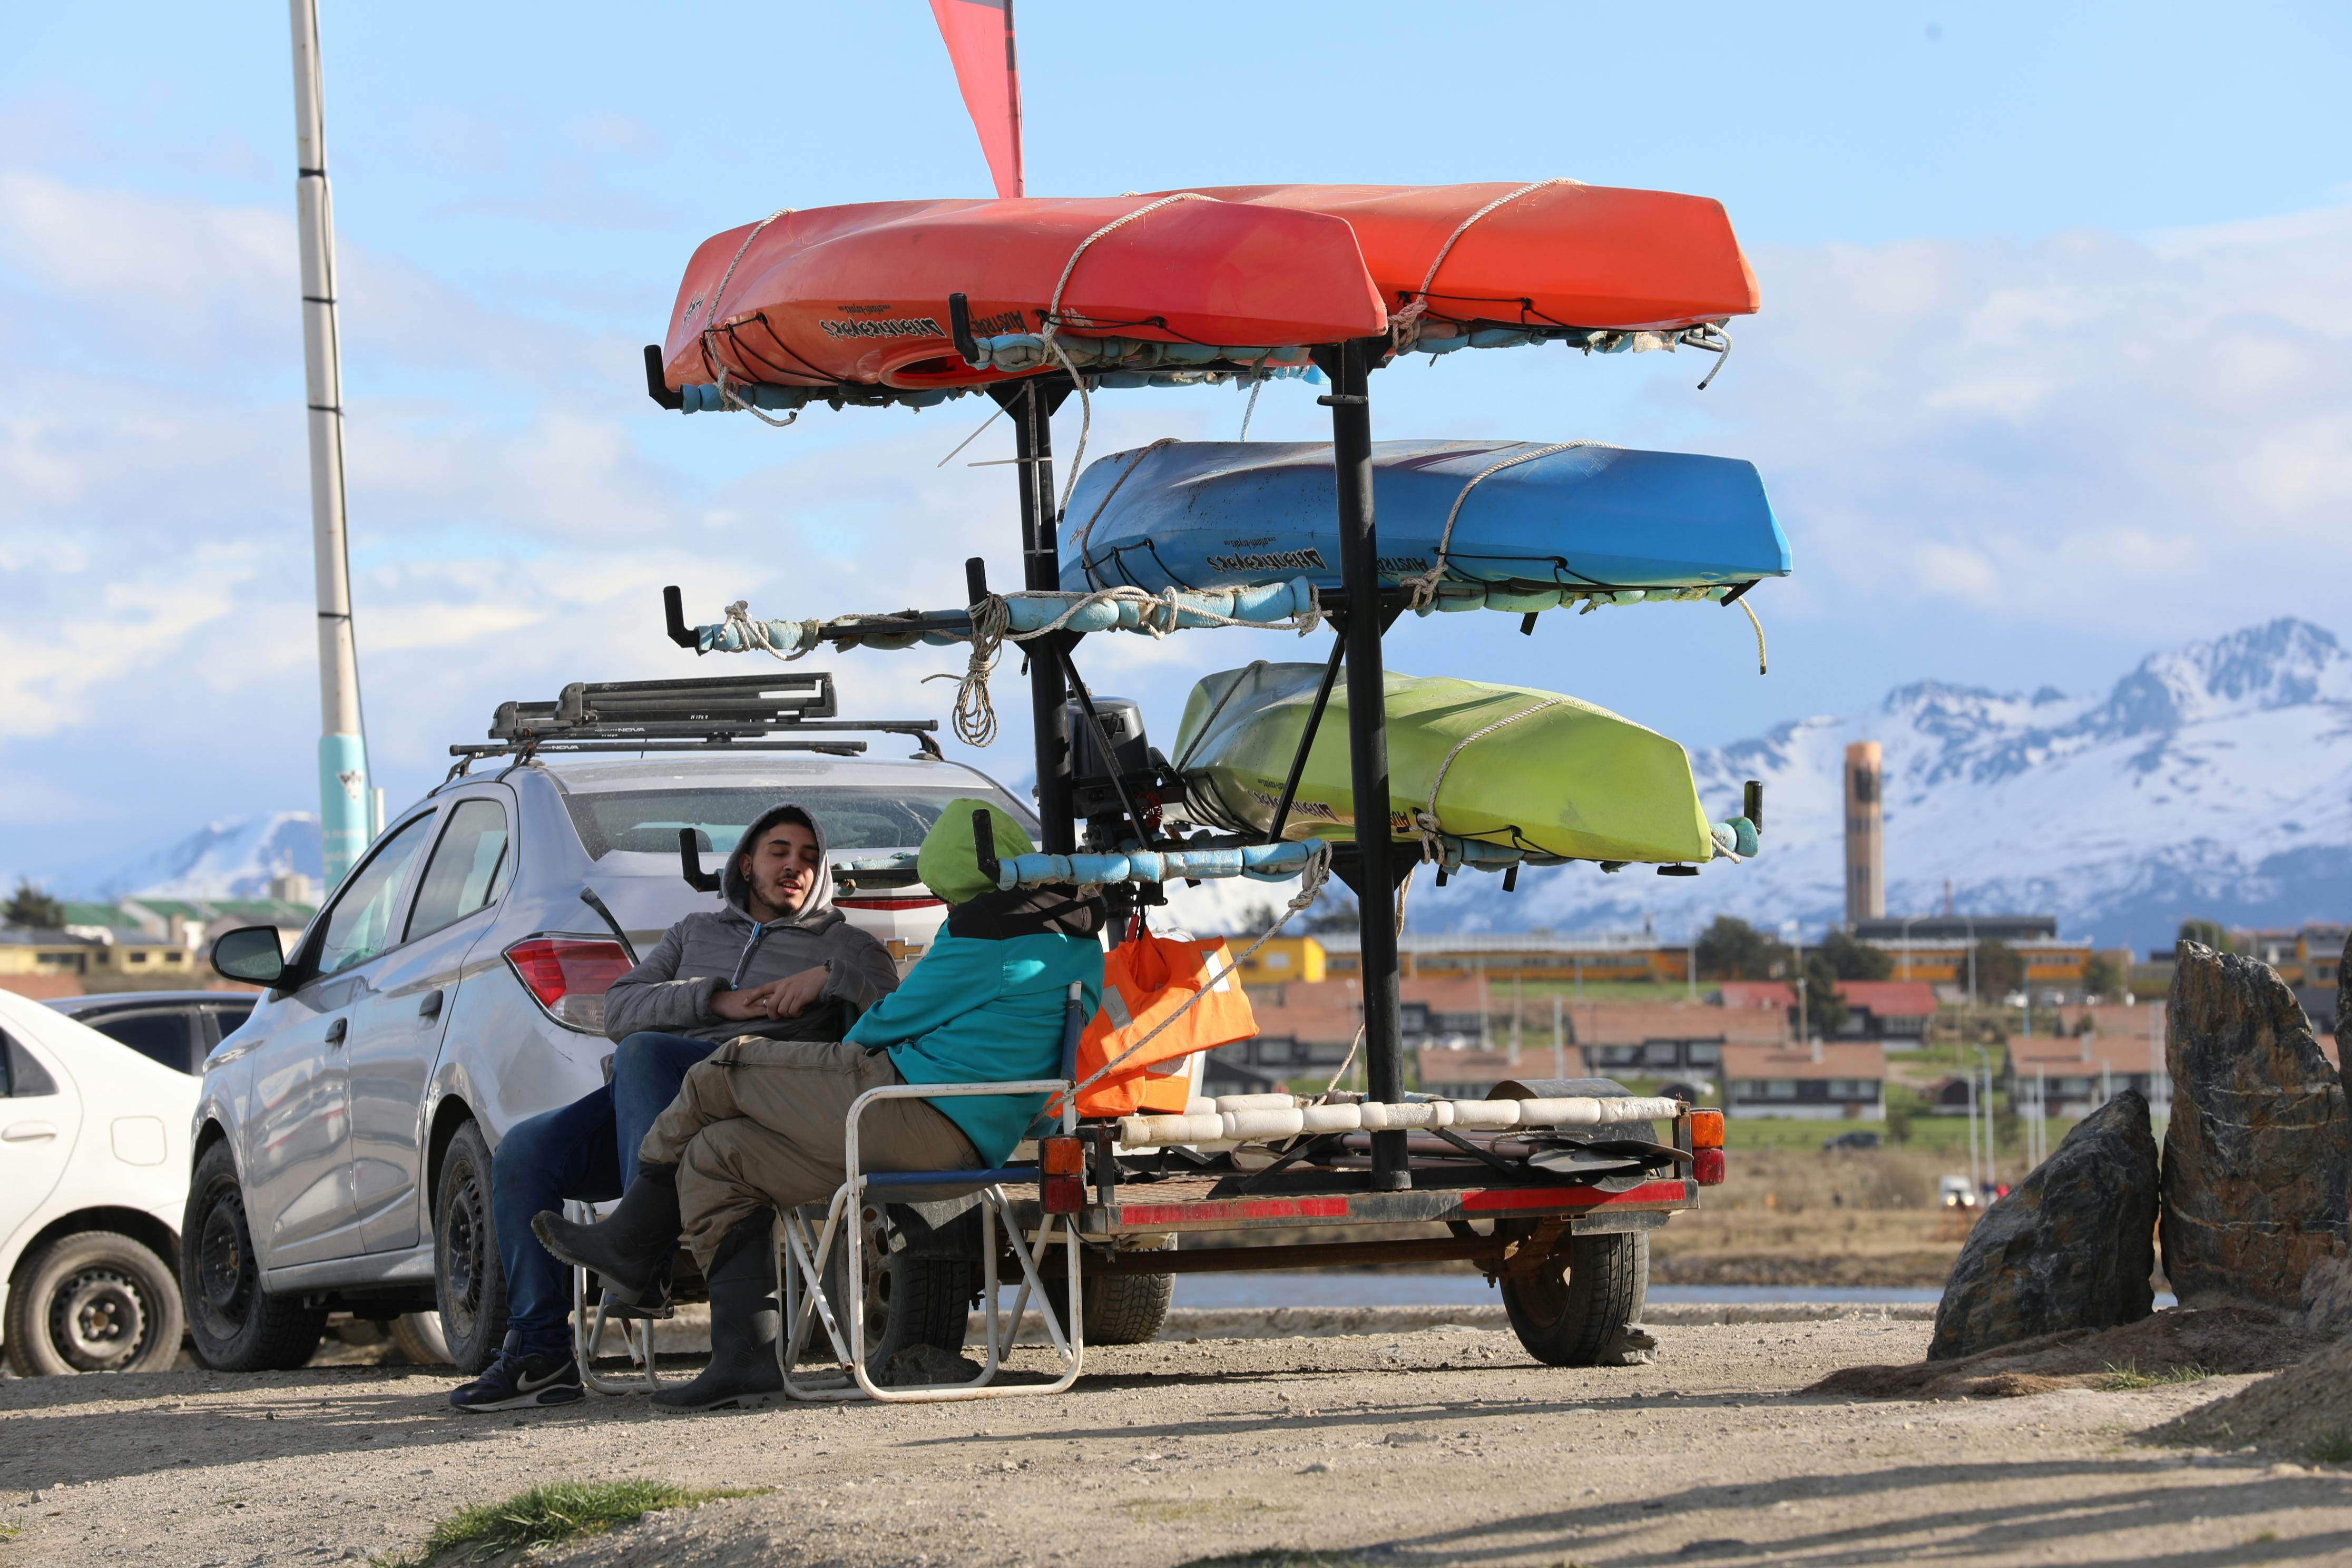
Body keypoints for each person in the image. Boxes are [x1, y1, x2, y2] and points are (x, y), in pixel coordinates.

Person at [532, 799, 1104, 1413]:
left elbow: (889, 1021)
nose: (946, 905)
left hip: (904, 1108)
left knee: (720, 1071)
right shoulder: (1076, 942)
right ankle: (744, 1362)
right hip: (972, 1141)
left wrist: (831, 1052)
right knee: (718, 1156)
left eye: (947, 892)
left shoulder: (987, 934)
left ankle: (630, 1240)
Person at [448, 802, 899, 1413]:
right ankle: (540, 1352)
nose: (795, 866)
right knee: (524, 1152)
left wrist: (827, 977)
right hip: (651, 1097)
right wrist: (713, 1001)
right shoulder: (695, 932)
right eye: (780, 852)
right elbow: (618, 1010)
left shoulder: (845, 944)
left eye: (809, 858)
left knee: (645, 1053)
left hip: (750, 1104)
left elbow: (891, 1007)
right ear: (747, 864)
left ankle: (642, 1248)